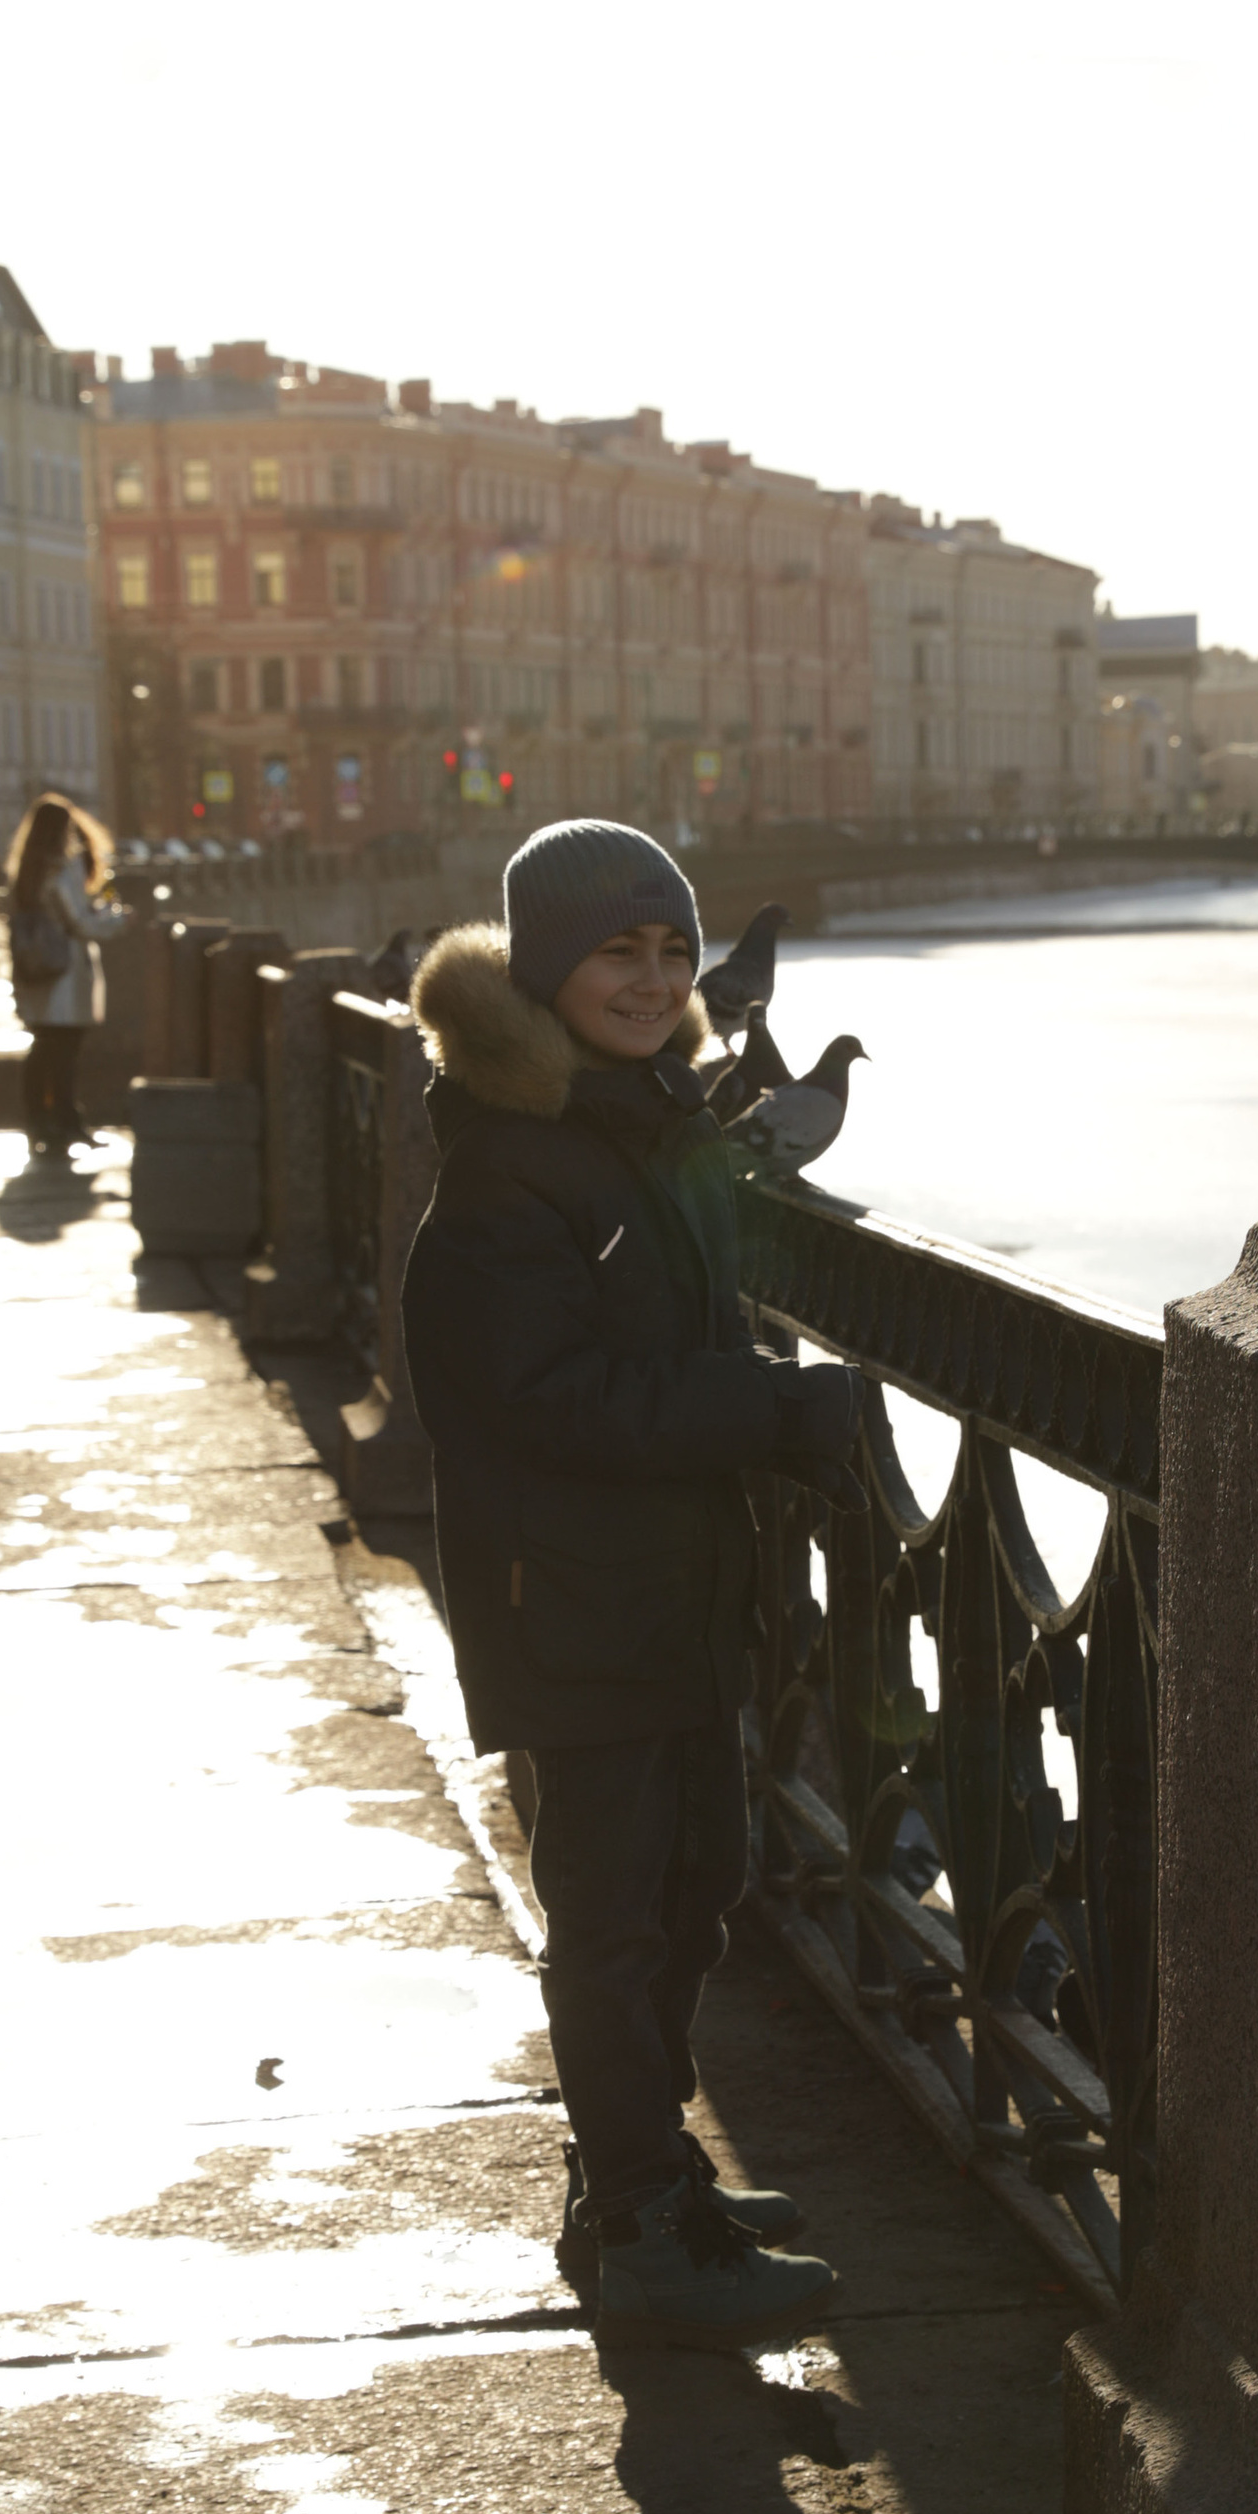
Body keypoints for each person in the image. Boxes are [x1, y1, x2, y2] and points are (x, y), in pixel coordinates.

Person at [402, 820, 856, 2351]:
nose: (656, 977)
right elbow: (559, 1397)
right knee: (612, 1924)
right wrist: (769, 1413)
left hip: (657, 1590)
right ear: (545, 969)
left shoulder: (626, 1125)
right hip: (574, 1602)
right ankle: (647, 2227)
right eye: (618, 950)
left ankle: (639, 2182)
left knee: (690, 1893)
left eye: (673, 949)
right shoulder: (514, 1163)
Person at [4, 794, 125, 1159]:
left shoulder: (25, 871)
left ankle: (41, 1123)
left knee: (42, 1051)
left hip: (35, 972)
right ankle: (64, 1123)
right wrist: (118, 920)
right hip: (65, 976)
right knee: (64, 1053)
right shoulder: (61, 869)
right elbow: (80, 923)